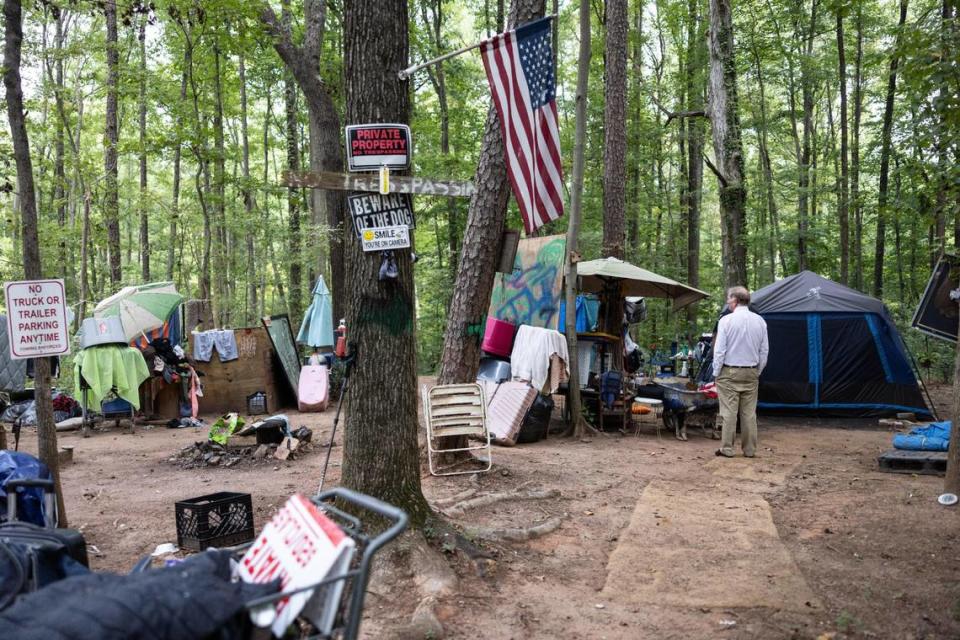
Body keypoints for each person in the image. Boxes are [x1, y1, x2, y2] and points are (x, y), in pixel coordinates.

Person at [712, 286, 769, 458]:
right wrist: (757, 371)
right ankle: (750, 450)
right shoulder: (760, 321)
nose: (728, 302)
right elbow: (764, 350)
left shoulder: (726, 321)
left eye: (729, 299)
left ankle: (727, 449)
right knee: (749, 413)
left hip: (729, 371)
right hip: (751, 372)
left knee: (729, 412)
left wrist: (716, 372)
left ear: (735, 301)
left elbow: (720, 350)